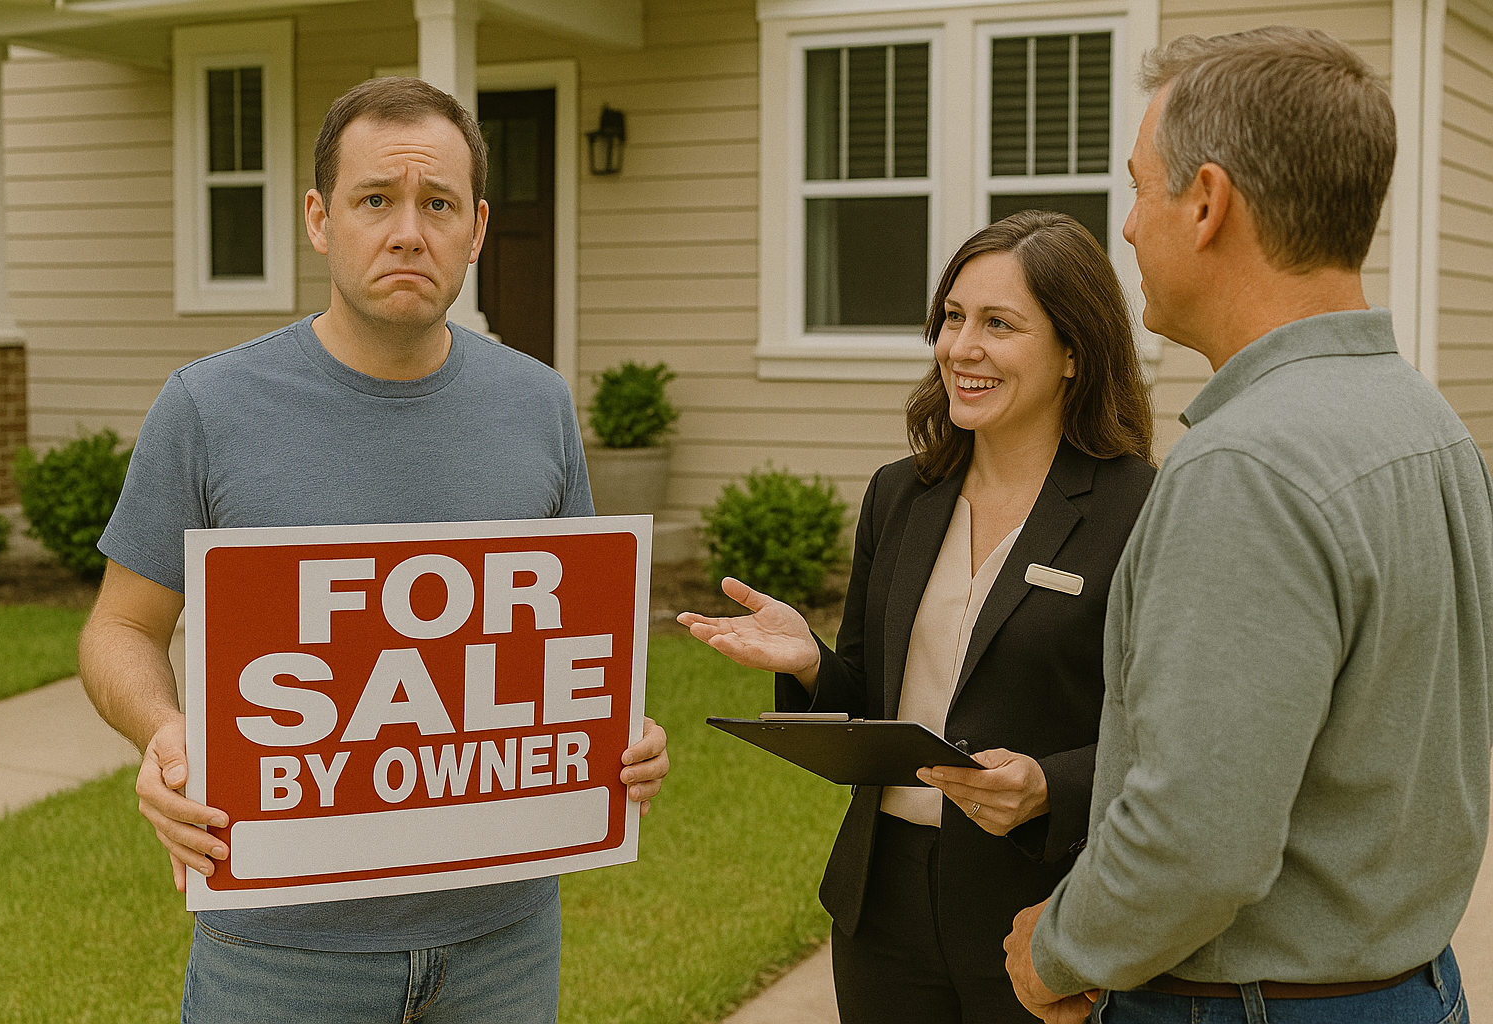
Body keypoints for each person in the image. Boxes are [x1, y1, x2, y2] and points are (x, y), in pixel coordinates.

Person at [76, 76, 670, 1024]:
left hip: (504, 939)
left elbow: (574, 637)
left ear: (476, 228)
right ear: (320, 218)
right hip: (278, 942)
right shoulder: (206, 409)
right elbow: (121, 625)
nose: (408, 232)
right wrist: (166, 733)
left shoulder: (540, 405)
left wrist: (620, 738)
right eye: (374, 201)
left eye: (437, 204)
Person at [1003, 27, 1493, 1024]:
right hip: (1409, 985)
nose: (1129, 229)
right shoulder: (1427, 422)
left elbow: (1197, 840)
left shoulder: (1248, 466)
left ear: (1209, 202)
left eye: (1140, 188)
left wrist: (1058, 949)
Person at [679, 210, 1156, 1022]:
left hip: (1039, 904)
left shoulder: (1138, 508)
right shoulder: (900, 494)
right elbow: (871, 704)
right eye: (954, 317)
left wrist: (1050, 785)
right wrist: (807, 664)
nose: (960, 348)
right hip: (883, 903)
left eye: (999, 325)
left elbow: (1166, 736)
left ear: (1073, 351)